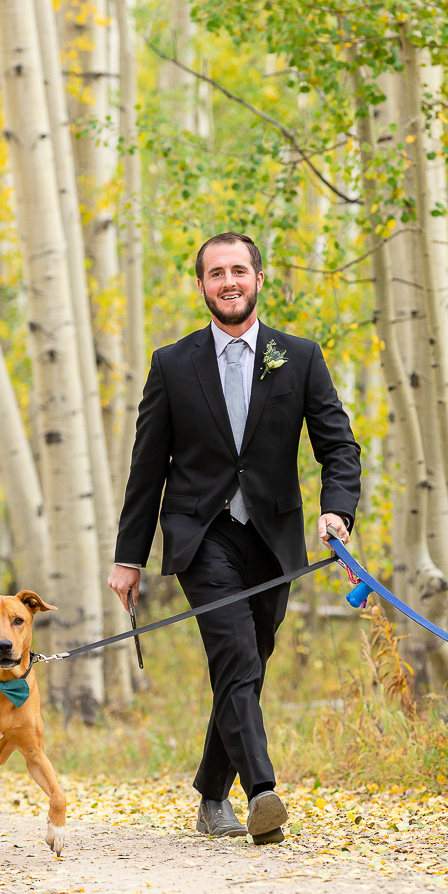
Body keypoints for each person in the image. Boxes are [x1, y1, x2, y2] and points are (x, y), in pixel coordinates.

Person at [108, 233, 361, 844]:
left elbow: (339, 447)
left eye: (239, 271)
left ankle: (209, 795)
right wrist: (129, 557)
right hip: (201, 536)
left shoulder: (298, 356)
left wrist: (336, 512)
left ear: (259, 279)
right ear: (201, 286)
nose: (228, 281)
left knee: (245, 668)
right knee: (236, 656)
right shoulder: (173, 363)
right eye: (216, 273)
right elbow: (148, 466)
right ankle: (262, 793)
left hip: (274, 541)